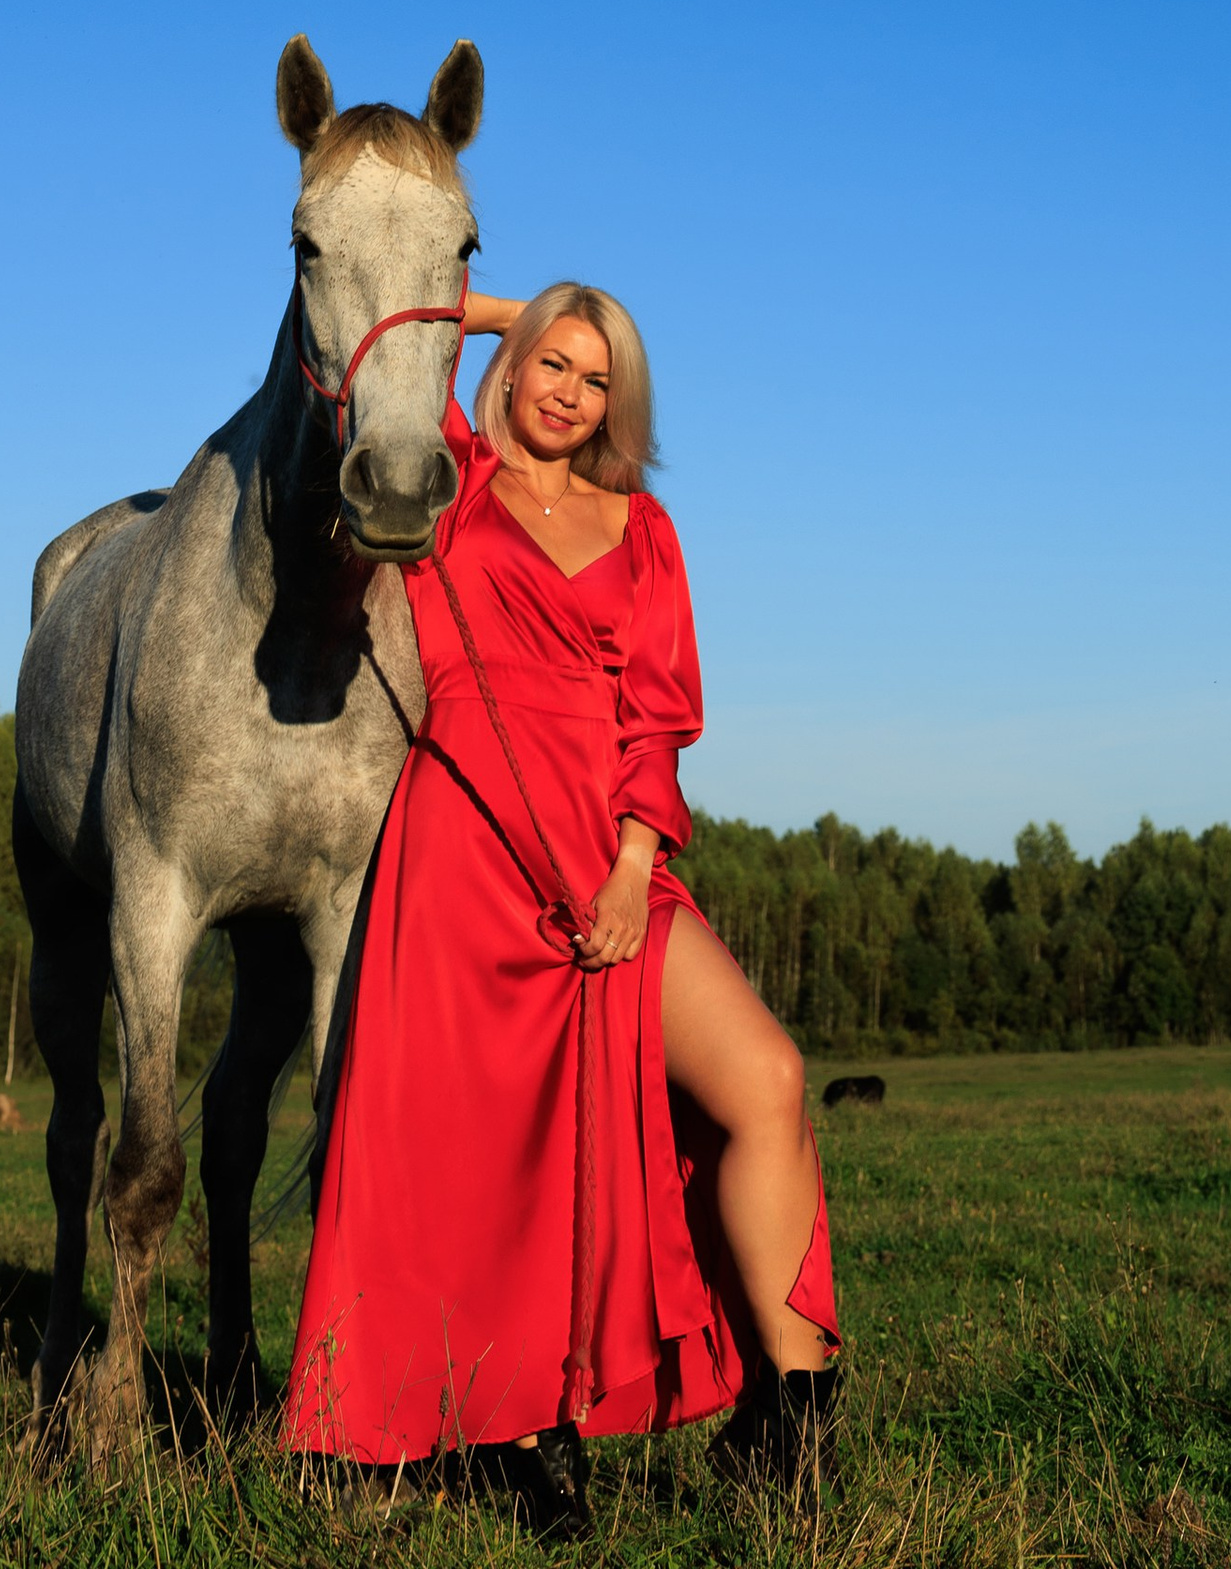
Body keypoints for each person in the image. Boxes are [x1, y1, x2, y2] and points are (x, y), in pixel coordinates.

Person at [283, 279, 839, 1530]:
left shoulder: (644, 526)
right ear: (514, 362)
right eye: (553, 363)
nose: (570, 393)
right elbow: (395, 318)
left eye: (596, 379)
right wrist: (514, 307)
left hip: (607, 854)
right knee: (486, 1158)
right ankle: (508, 1432)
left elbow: (659, 717)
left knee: (766, 1079)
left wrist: (635, 868)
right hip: (463, 842)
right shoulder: (458, 480)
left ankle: (790, 1416)